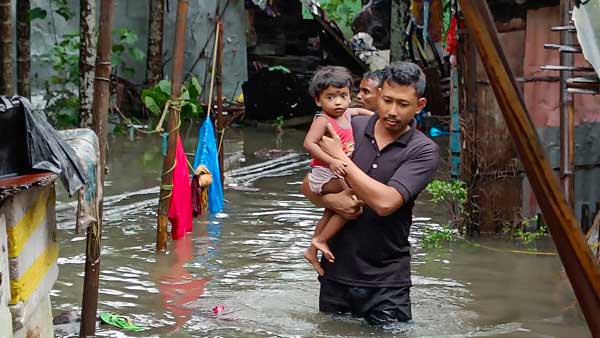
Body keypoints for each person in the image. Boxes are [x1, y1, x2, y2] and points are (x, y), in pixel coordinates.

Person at [301, 62, 440, 325]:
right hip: (335, 274)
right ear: (378, 95)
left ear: (419, 105)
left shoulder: (422, 150)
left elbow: (386, 202)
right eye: (387, 100)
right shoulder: (350, 125)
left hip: (387, 282)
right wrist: (333, 200)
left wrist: (341, 157)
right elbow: (308, 185)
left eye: (403, 104)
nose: (392, 111)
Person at [303, 66, 374, 276]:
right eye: (331, 97)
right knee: (353, 200)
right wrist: (331, 161)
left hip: (335, 172)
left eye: (343, 96)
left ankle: (312, 249)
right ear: (318, 100)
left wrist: (378, 118)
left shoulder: (347, 114)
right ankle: (321, 239)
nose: (338, 102)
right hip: (324, 174)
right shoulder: (323, 120)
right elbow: (309, 144)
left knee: (332, 209)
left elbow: (361, 111)